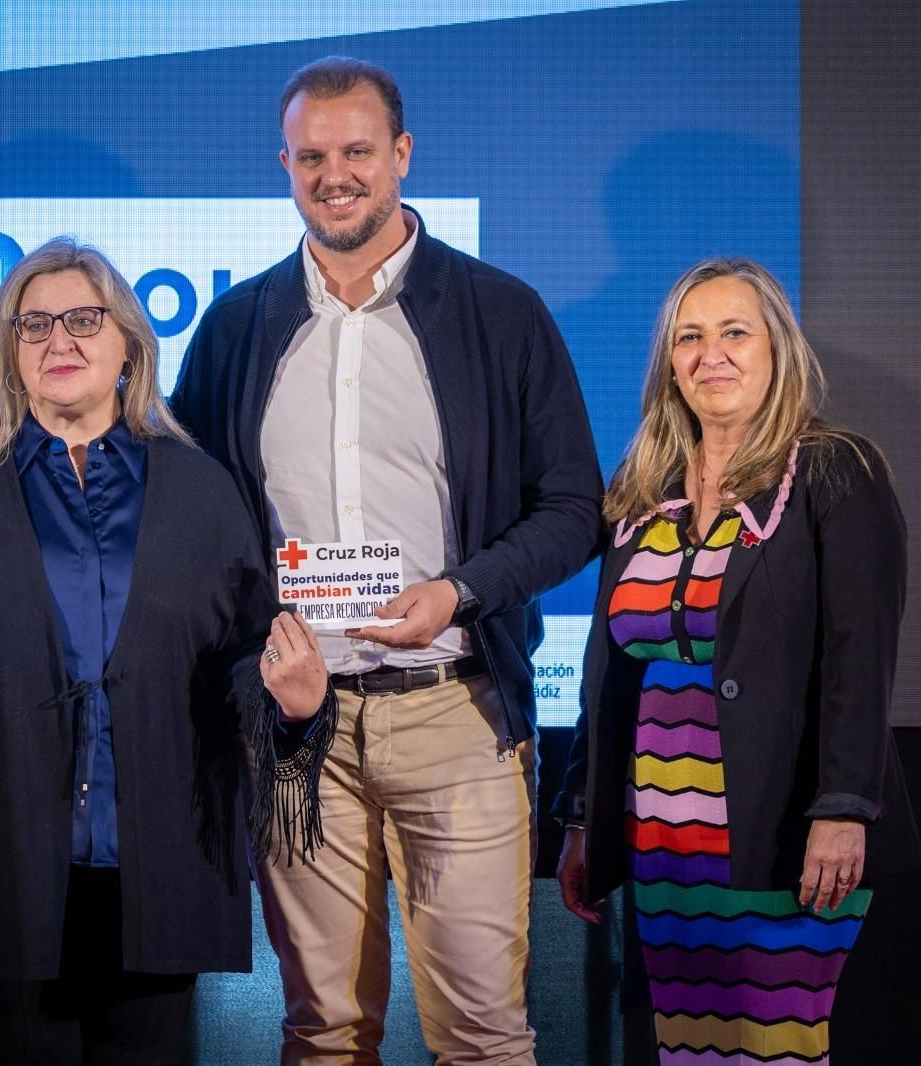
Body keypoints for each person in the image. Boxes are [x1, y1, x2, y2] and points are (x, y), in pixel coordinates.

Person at [171, 57, 602, 1064]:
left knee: (484, 1036)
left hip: (456, 711)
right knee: (322, 1032)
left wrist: (460, 591)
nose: (336, 175)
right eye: (311, 156)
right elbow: (191, 525)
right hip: (297, 730)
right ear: (285, 164)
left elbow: (574, 509)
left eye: (357, 151)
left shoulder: (501, 313)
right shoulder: (235, 330)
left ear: (402, 154)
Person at [0, 237, 331, 1066]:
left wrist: (294, 705)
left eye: (83, 320)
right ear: (9, 352)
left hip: (159, 864)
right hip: (2, 863)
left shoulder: (201, 490)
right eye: (33, 325)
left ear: (129, 343)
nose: (58, 340)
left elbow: (244, 654)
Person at [553, 258, 921, 1064]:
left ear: (777, 349)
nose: (710, 354)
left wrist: (844, 808)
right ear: (669, 361)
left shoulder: (835, 471)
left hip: (780, 829)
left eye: (734, 332)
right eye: (689, 337)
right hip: (659, 832)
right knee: (690, 1046)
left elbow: (861, 659)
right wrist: (584, 816)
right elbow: (606, 675)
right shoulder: (643, 487)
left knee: (776, 1046)